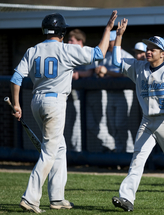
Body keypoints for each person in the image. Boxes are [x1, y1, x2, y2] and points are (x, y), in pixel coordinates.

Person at [10, 11, 118, 213]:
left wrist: (16, 105)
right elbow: (99, 54)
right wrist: (107, 29)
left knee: (59, 149)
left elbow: (16, 78)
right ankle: (30, 198)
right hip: (55, 102)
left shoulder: (32, 50)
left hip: (36, 102)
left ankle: (57, 198)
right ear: (61, 32)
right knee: (50, 152)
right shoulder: (66, 49)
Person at [111, 18, 164, 211]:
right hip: (147, 120)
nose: (148, 50)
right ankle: (127, 198)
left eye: (153, 48)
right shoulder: (139, 67)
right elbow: (116, 61)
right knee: (137, 159)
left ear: (162, 53)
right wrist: (119, 37)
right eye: (147, 47)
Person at [93, 30, 135, 153]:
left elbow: (126, 75)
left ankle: (129, 151)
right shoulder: (107, 56)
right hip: (109, 94)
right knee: (112, 125)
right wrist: (100, 73)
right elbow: (103, 73)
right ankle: (119, 150)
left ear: (115, 41)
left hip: (124, 93)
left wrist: (107, 72)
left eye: (110, 41)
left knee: (121, 124)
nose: (108, 44)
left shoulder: (126, 56)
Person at [66, 28, 94, 152]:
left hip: (91, 97)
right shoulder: (68, 54)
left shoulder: (87, 52)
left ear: (80, 41)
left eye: (71, 40)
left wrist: (77, 74)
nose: (69, 43)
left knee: (94, 126)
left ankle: (111, 148)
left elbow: (89, 72)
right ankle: (76, 153)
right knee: (74, 127)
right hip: (74, 97)